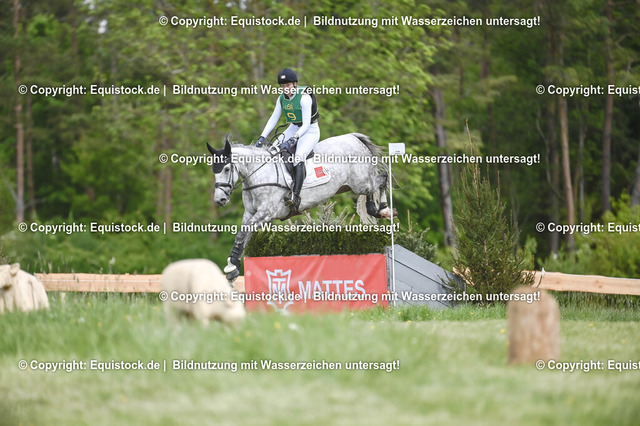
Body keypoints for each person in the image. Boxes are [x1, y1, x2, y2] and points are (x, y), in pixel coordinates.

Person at [255, 68, 320, 212]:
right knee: (272, 151)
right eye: (283, 86)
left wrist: (293, 139)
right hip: (293, 127)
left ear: (295, 84)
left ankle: (295, 197)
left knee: (298, 157)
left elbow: (306, 124)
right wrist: (262, 136)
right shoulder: (281, 98)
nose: (286, 89)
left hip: (310, 130)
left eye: (288, 85)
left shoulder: (304, 98)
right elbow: (273, 118)